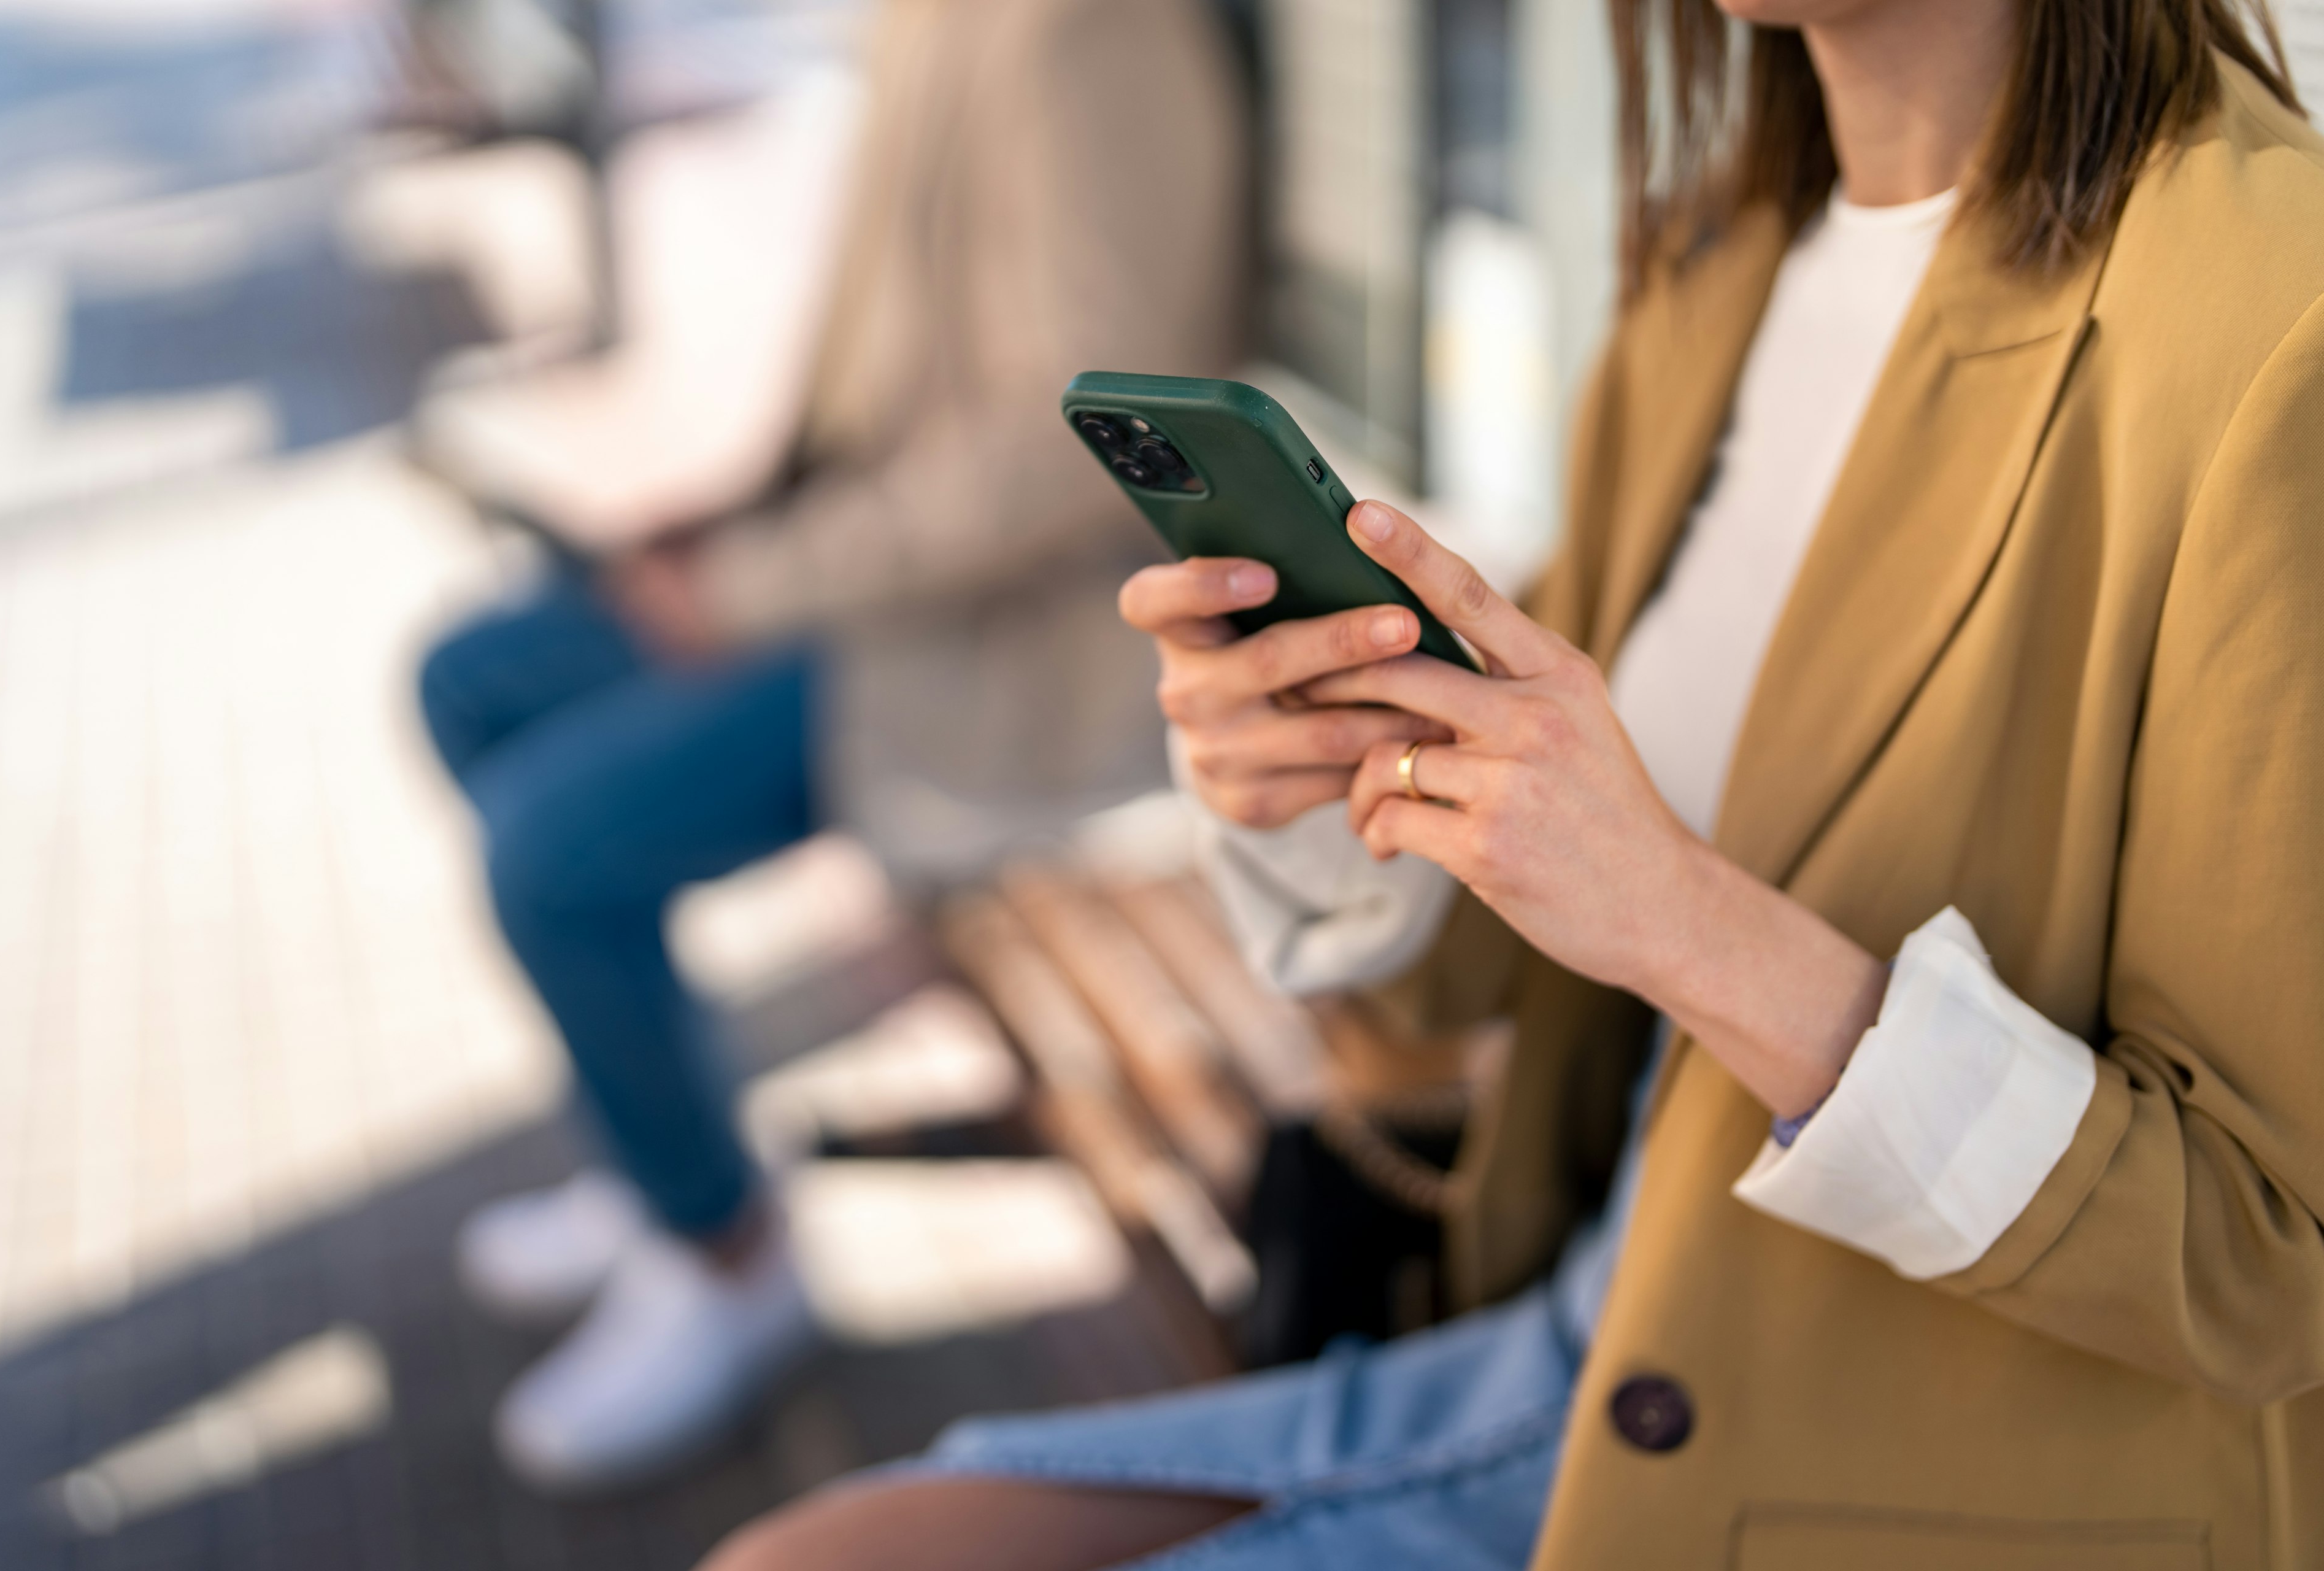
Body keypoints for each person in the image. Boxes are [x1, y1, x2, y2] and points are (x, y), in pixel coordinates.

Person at [696, 0, 2324, 1564]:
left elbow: (2261, 1258)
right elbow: (1493, 977)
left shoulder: (2271, 325)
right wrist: (1329, 782)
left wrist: (1690, 921)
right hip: (1590, 1344)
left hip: (1926, 1471)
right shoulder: (1719, 277)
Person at [417, 0, 1245, 1492]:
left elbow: (1095, 443)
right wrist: (730, 526)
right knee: (473, 679)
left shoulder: (1093, 33)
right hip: (877, 578)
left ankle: (725, 1249)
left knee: (551, 851)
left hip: (999, 641)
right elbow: (889, 383)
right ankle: (668, 1155)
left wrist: (748, 587)